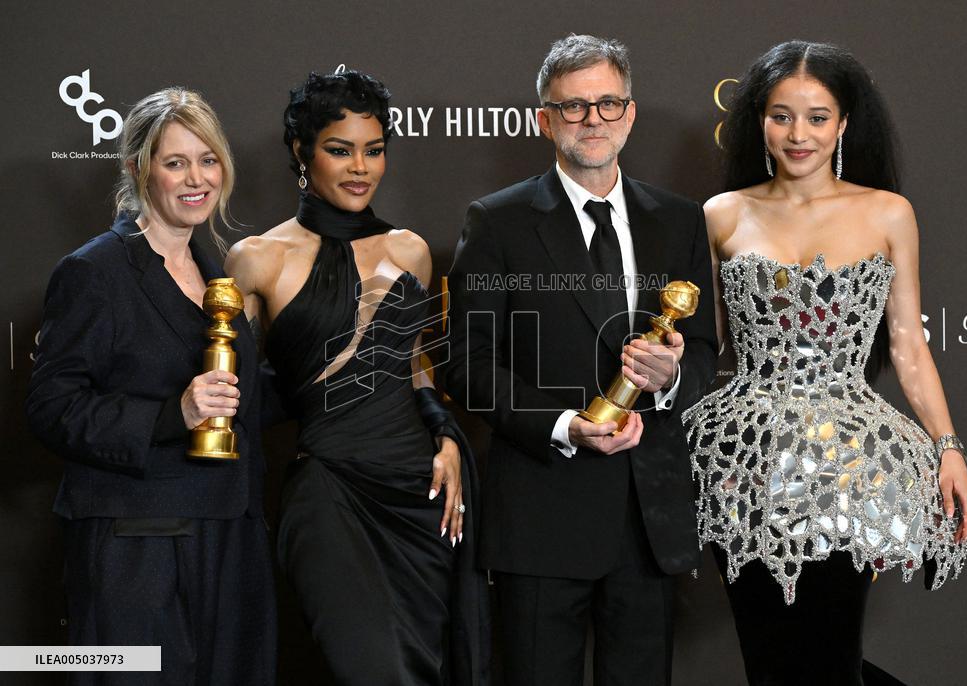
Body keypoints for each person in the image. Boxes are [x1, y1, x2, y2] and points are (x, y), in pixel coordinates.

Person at [684, 40, 967, 685]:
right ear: (758, 120)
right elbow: (708, 348)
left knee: (833, 652)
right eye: (781, 115)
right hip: (744, 464)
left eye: (817, 117)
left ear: (844, 124)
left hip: (851, 465)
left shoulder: (887, 212)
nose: (798, 134)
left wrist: (947, 447)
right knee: (767, 658)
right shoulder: (721, 215)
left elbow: (907, 345)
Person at [444, 35, 718, 685]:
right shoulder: (497, 222)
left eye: (606, 104)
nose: (591, 120)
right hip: (542, 513)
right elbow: (468, 365)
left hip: (646, 518)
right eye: (573, 108)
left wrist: (673, 376)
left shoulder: (679, 221)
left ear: (629, 112)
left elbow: (704, 351)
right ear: (544, 119)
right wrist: (565, 425)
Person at [225, 68, 487, 686]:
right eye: (339, 150)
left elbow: (416, 364)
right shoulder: (257, 259)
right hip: (329, 495)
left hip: (417, 493)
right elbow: (231, 388)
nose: (359, 168)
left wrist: (447, 437)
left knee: (424, 667)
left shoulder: (410, 251)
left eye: (373, 151)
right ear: (301, 152)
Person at [26, 88, 275, 686]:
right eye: (176, 162)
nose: (197, 178)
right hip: (136, 552)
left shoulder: (216, 272)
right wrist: (172, 414)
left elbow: (245, 399)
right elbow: (51, 407)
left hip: (228, 540)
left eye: (208, 159)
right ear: (138, 169)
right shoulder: (95, 271)